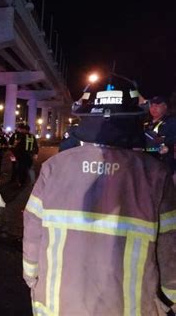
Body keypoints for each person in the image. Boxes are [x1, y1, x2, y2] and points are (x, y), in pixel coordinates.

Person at [22, 88, 176, 315]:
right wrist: (169, 298)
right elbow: (170, 248)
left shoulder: (54, 166)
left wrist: (31, 277)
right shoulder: (155, 175)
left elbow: (33, 228)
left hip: (57, 305)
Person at [144, 96, 176, 174]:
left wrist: (162, 140)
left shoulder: (171, 121)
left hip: (163, 161)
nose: (153, 108)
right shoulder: (145, 122)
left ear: (165, 106)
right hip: (145, 160)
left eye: (157, 105)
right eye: (152, 105)